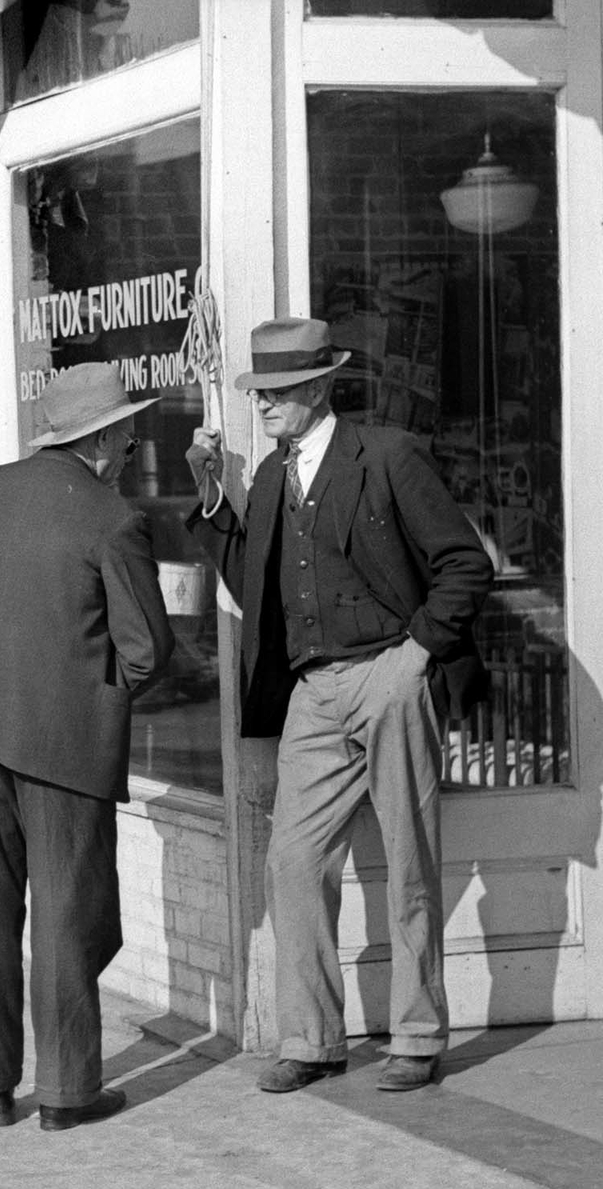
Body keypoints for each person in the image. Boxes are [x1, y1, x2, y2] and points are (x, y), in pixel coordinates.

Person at [184, 317, 493, 1094]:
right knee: (292, 861)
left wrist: (417, 654)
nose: (264, 405)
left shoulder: (386, 456)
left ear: (321, 387)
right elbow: (256, 588)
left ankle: (417, 1035)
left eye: (280, 391)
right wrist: (213, 499)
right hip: (314, 692)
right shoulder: (269, 478)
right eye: (258, 393)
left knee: (410, 861)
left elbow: (464, 563)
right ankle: (312, 1039)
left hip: (391, 672)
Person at [0, 362, 174, 1131]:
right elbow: (147, 652)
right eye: (126, 437)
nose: (130, 449)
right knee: (67, 916)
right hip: (62, 748)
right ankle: (66, 1094)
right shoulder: (112, 519)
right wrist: (88, 696)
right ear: (100, 440)